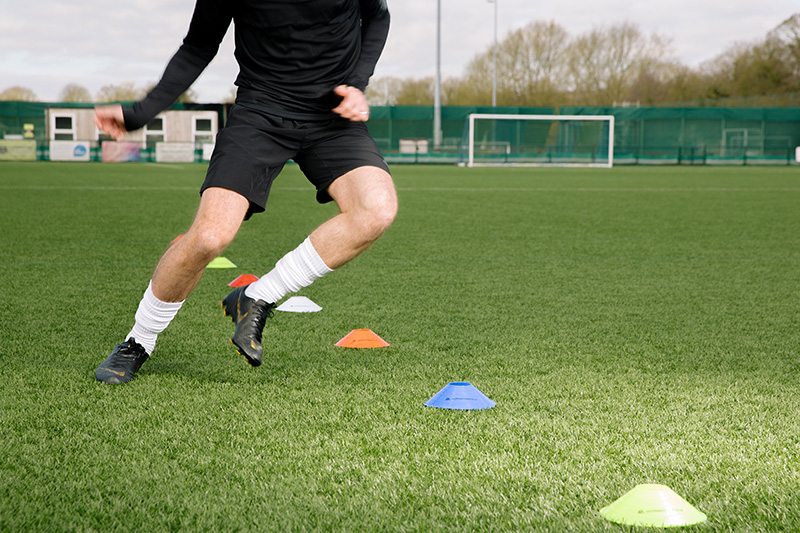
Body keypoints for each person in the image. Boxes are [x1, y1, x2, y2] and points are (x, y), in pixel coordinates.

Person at [94, 0, 396, 384]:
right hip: (261, 112)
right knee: (208, 237)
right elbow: (199, 45)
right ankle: (139, 340)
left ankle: (259, 296)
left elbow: (378, 16)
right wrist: (141, 112)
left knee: (376, 209)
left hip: (333, 117)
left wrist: (357, 82)